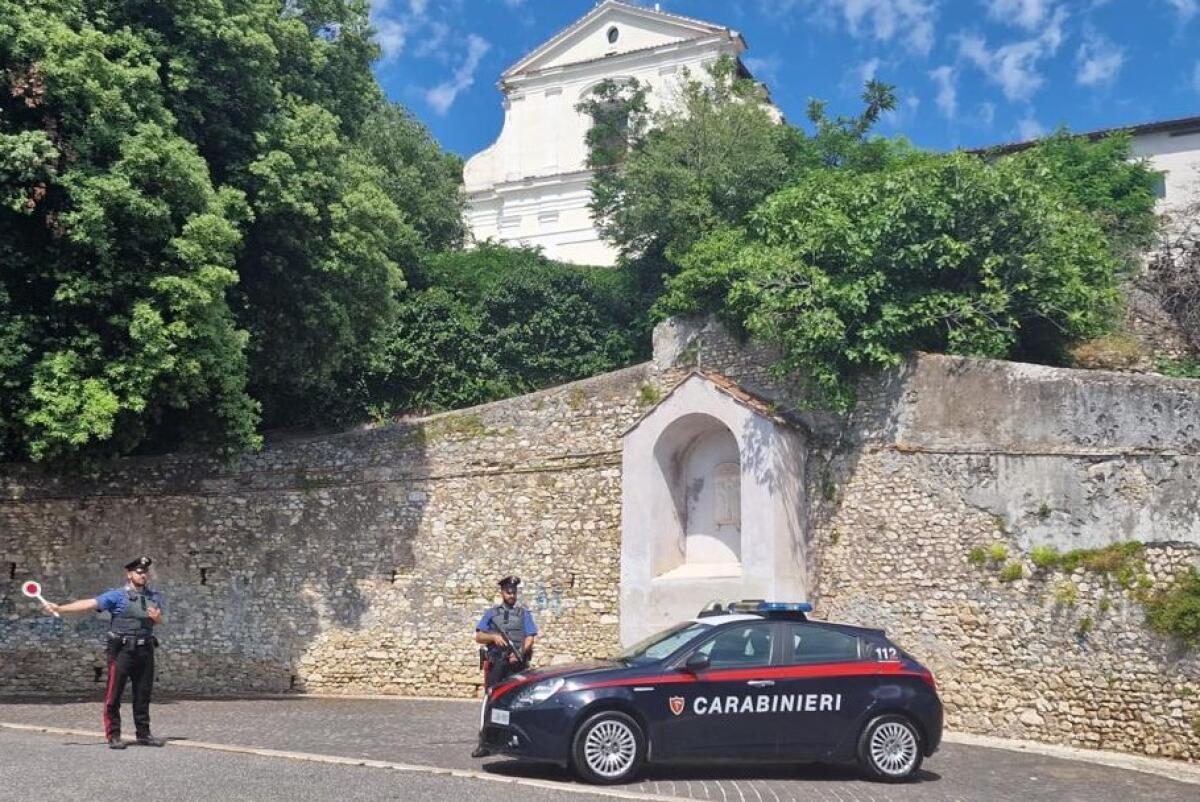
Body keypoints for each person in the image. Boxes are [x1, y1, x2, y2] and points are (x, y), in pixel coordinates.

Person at [43, 556, 166, 750]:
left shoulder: (154, 596)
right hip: (122, 651)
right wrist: (60, 608)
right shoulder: (116, 596)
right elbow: (90, 603)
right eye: (139, 572)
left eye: (145, 572)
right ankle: (114, 736)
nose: (143, 575)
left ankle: (144, 734)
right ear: (130, 574)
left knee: (143, 695)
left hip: (145, 650)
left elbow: (158, 621)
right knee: (113, 695)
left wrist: (159, 619)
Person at [470, 575, 538, 758]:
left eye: (514, 592)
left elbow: (530, 636)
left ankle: (521, 740)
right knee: (490, 700)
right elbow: (479, 636)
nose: (511, 595)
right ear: (502, 592)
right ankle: (484, 741)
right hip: (497, 663)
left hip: (517, 664)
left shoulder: (524, 614)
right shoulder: (491, 614)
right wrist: (493, 637)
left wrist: (521, 654)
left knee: (520, 701)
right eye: (508, 592)